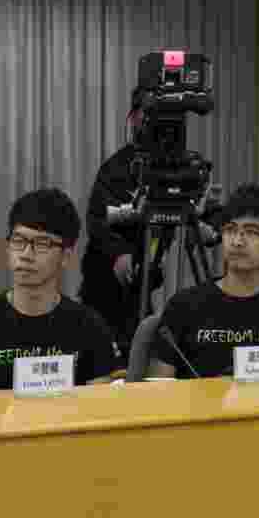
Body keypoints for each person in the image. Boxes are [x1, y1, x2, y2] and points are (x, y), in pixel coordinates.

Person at [147, 184, 259, 379]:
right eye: (230, 230)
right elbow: (159, 388)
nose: (237, 241)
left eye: (251, 232)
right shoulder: (184, 306)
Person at [0, 188, 117, 391]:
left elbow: (98, 413)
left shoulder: (90, 329)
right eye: (19, 241)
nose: (26, 254)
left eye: (42, 243)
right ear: (8, 247)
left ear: (66, 256)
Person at [79, 89, 174, 373]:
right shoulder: (117, 168)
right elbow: (97, 219)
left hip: (145, 278)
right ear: (133, 117)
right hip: (106, 281)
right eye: (147, 112)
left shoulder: (172, 166)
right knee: (108, 357)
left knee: (142, 349)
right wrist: (119, 253)